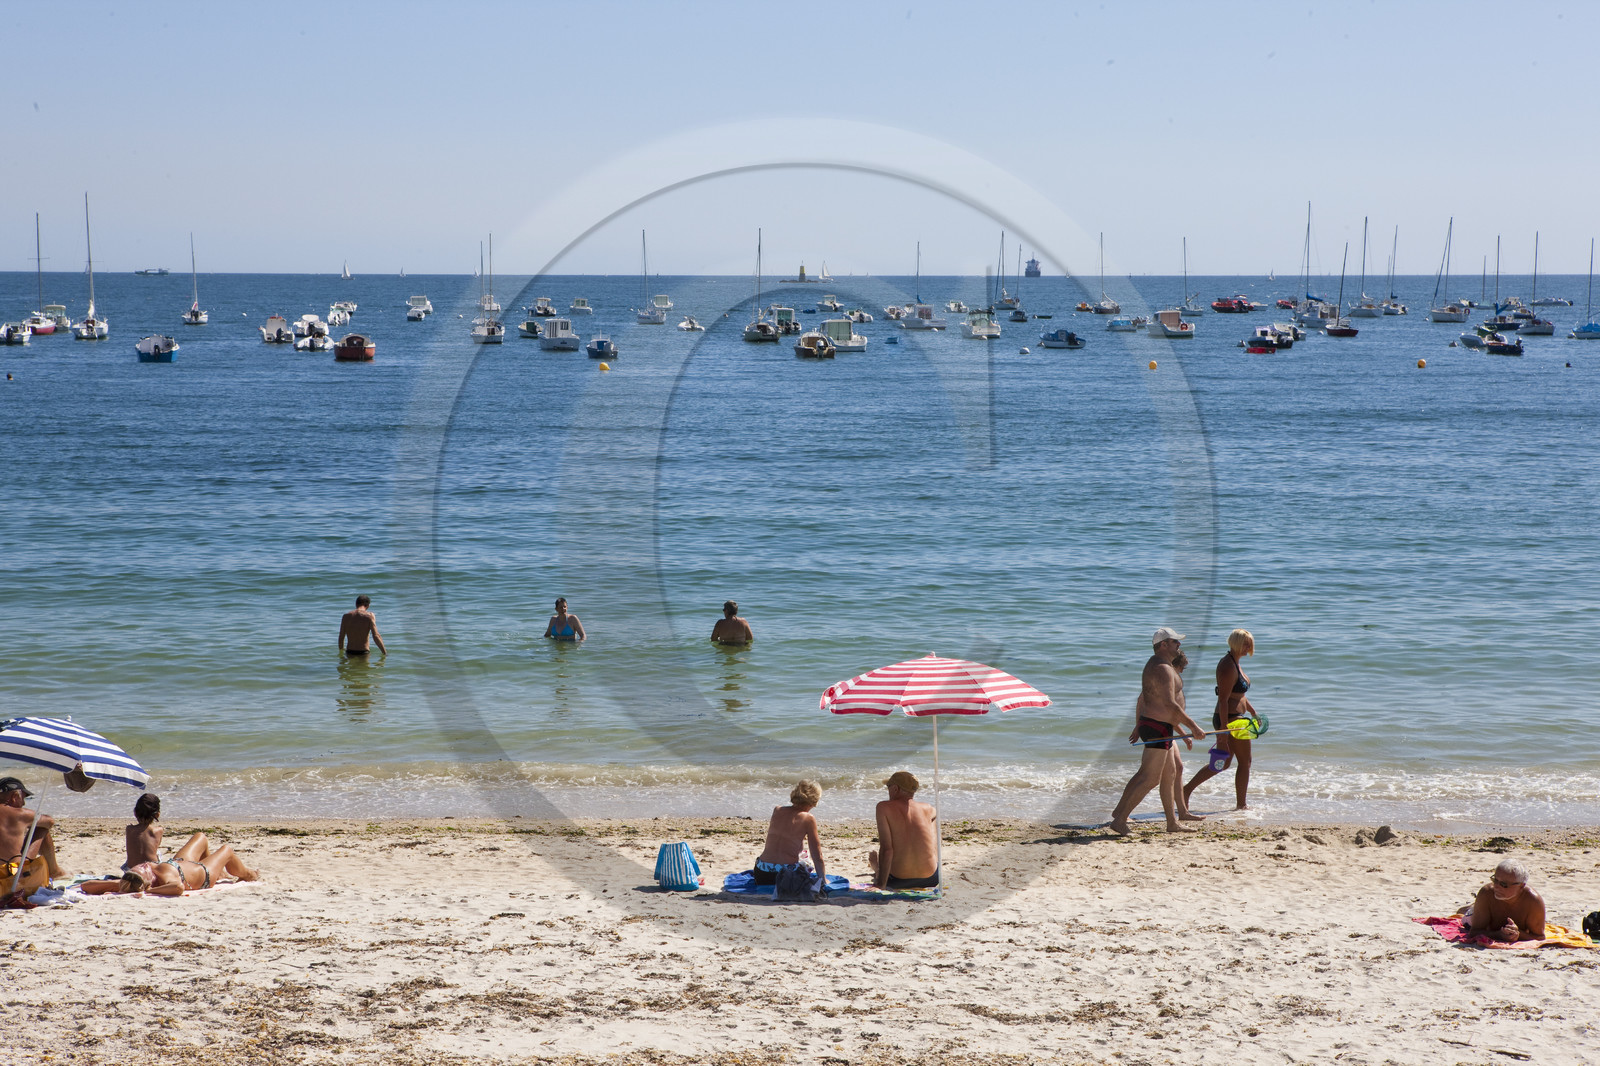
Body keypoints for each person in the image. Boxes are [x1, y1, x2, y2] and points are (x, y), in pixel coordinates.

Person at [1109, 629, 1207, 836]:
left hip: (1160, 727)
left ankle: (1172, 823)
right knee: (1150, 778)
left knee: (1170, 774)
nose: (1178, 645)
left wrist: (1182, 729)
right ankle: (1119, 820)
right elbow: (1170, 704)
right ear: (1163, 644)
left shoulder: (1162, 665)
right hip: (1156, 727)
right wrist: (1193, 727)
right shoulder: (1161, 667)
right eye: (1175, 642)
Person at [1183, 628, 1261, 811]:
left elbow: (1239, 695)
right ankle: (1241, 805)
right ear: (1234, 642)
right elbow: (1223, 700)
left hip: (1237, 719)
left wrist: (1253, 713)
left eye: (1249, 643)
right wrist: (1223, 733)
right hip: (1230, 720)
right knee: (1245, 762)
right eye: (1244, 643)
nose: (1247, 647)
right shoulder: (1227, 665)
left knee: (1223, 763)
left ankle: (1185, 790)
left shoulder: (1236, 663)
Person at [81, 832, 258, 897]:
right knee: (226, 850)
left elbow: (86, 886)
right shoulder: (164, 879)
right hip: (202, 873)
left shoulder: (128, 881)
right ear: (148, 882)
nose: (142, 866)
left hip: (180, 863)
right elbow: (178, 887)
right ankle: (248, 874)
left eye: (139, 867)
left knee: (201, 837)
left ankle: (220, 872)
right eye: (143, 870)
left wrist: (118, 884)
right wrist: (148, 891)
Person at [868, 771, 940, 889]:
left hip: (898, 880)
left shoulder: (883, 807)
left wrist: (880, 884)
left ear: (895, 789)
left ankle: (876, 869)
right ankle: (877, 869)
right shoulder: (929, 809)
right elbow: (935, 846)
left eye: (888, 787)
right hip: (932, 878)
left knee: (882, 870)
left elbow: (887, 850)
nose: (888, 790)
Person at [750, 780, 826, 885]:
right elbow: (817, 855)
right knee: (806, 863)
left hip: (761, 872)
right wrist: (822, 879)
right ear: (813, 801)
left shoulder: (777, 810)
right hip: (785, 875)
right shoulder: (808, 818)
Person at [0, 776, 63, 896]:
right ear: (14, 797)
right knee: (40, 827)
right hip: (14, 878)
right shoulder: (19, 813)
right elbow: (49, 821)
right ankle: (55, 871)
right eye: (23, 798)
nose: (23, 804)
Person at [1464, 859, 1546, 943]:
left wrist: (1517, 934)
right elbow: (1474, 932)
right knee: (1466, 914)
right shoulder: (1487, 893)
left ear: (1521, 886)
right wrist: (1499, 934)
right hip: (1472, 915)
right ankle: (1471, 906)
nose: (1496, 886)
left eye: (1504, 884)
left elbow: (1540, 937)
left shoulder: (1533, 901)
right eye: (1495, 880)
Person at [125, 793, 164, 869]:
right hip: (151, 871)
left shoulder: (129, 829)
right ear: (157, 814)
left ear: (135, 813)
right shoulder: (158, 831)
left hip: (131, 870)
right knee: (157, 853)